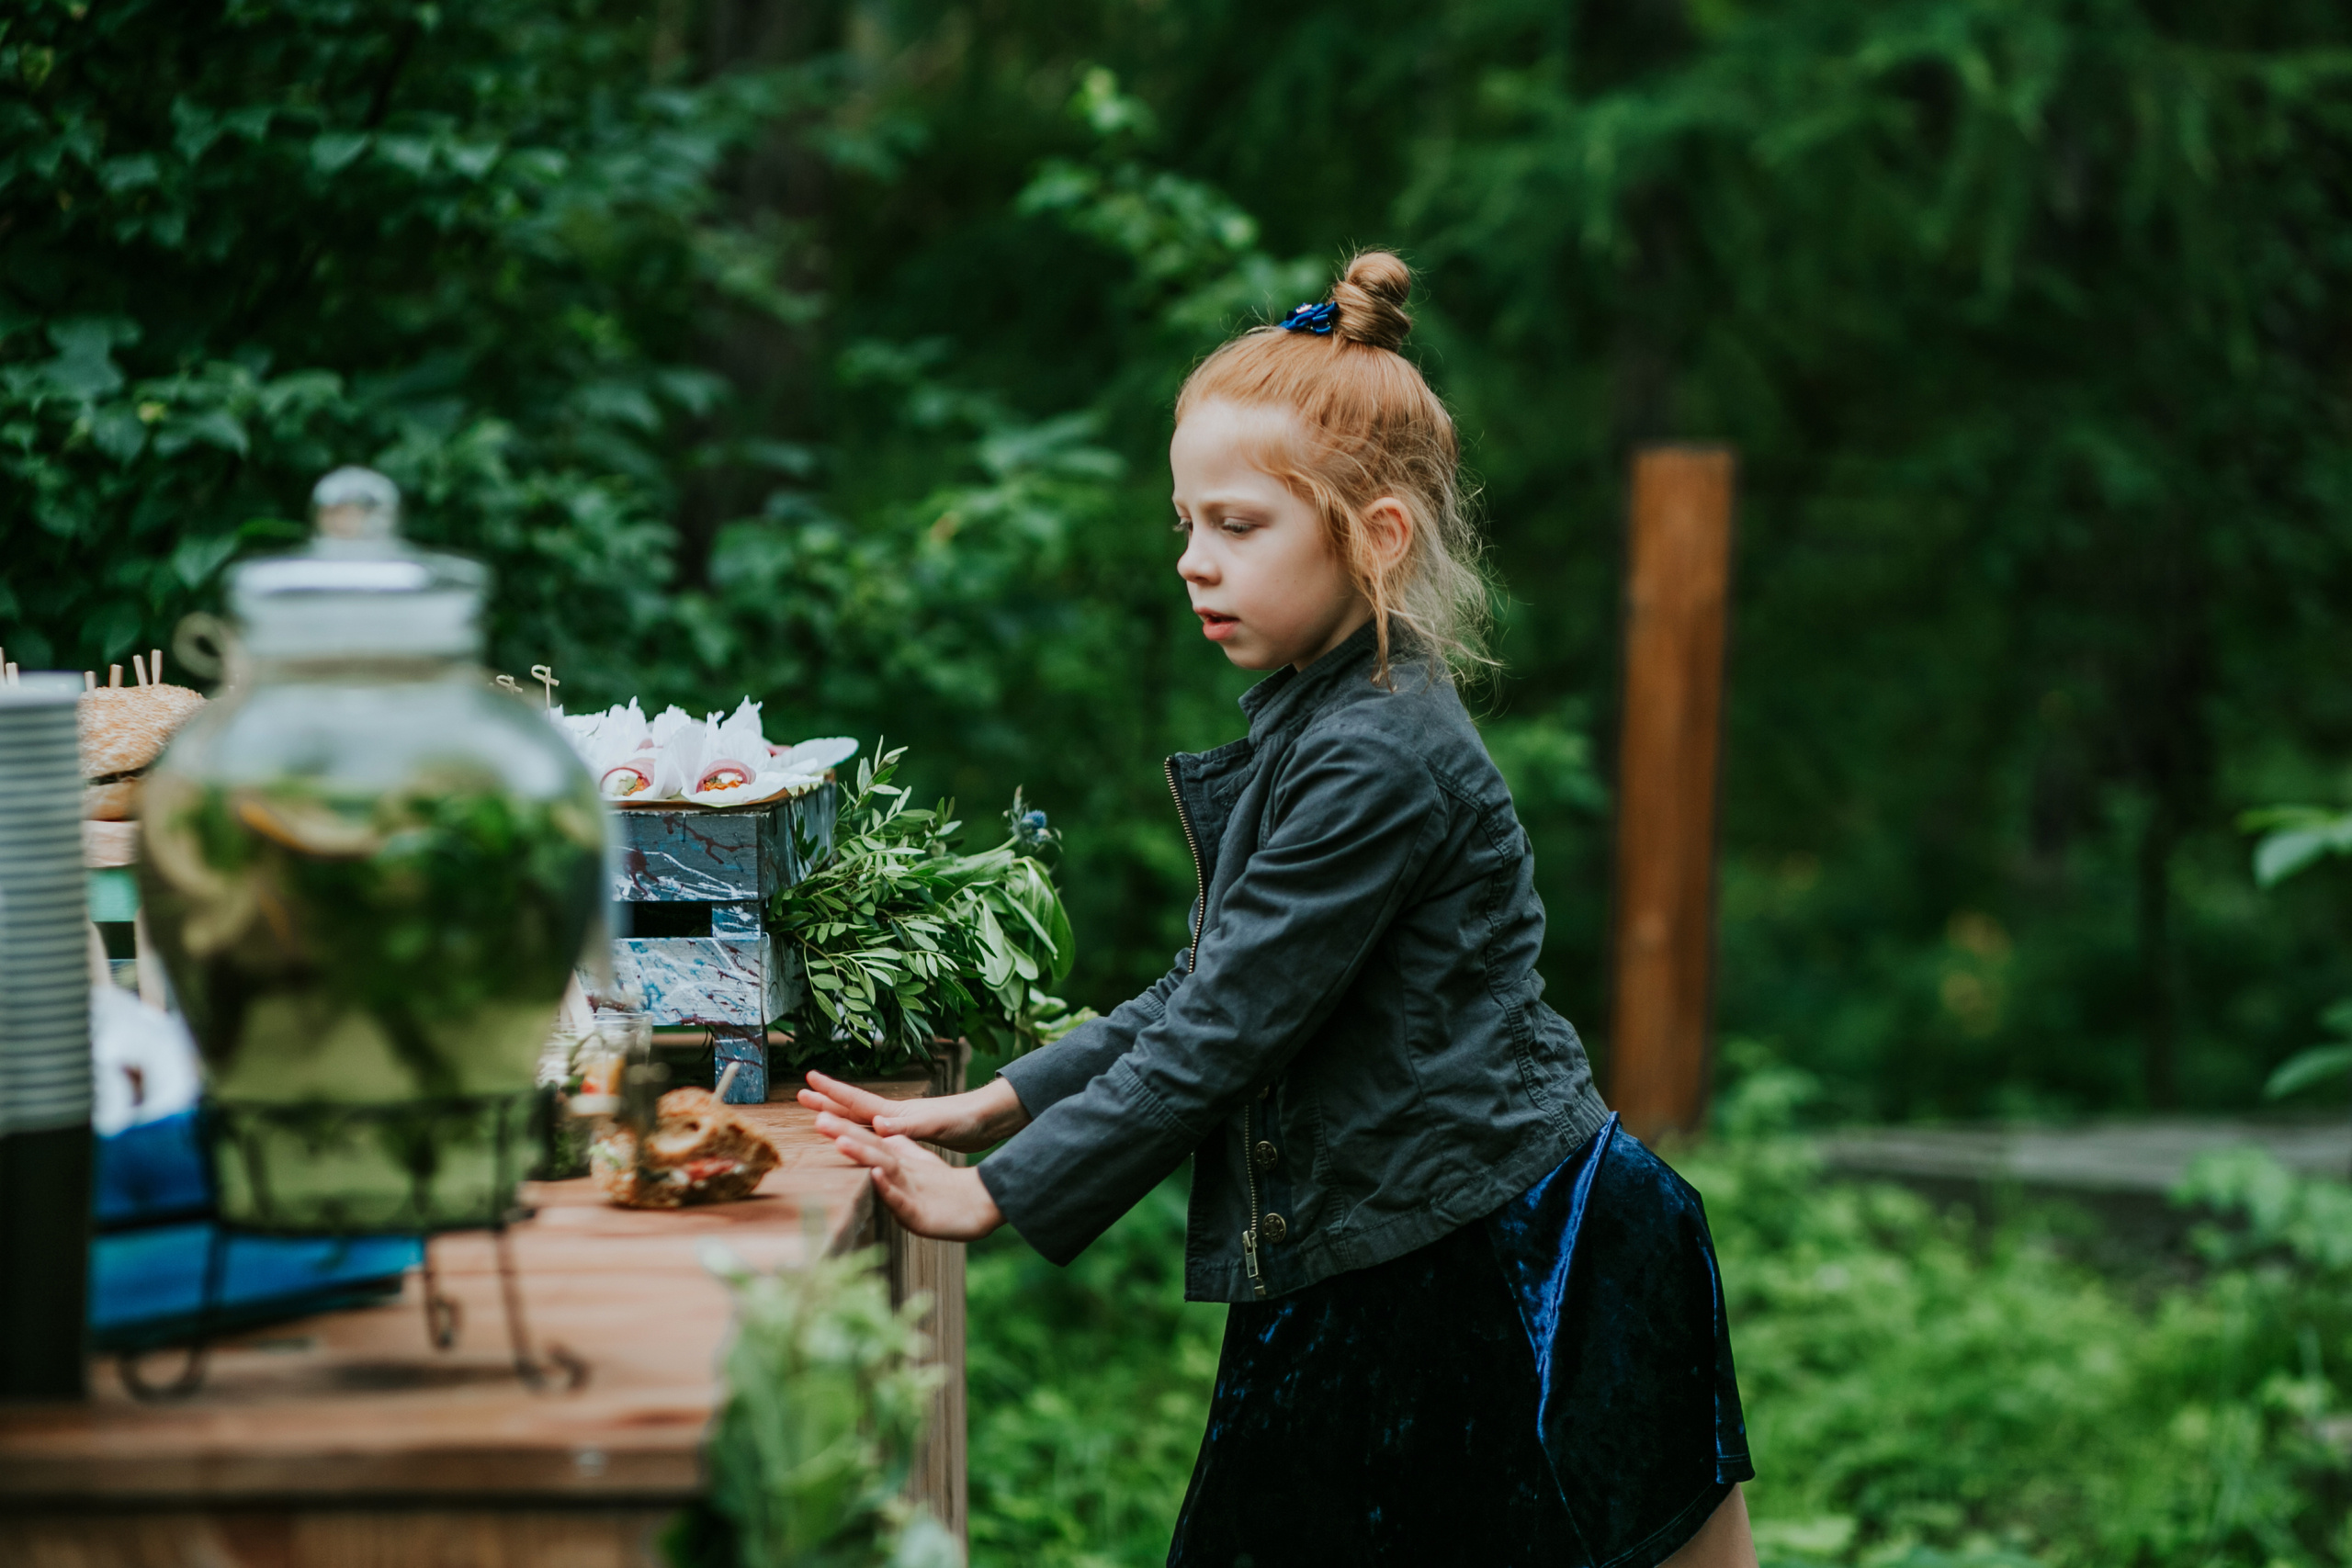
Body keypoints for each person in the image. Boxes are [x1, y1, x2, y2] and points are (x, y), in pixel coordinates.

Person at [801, 250, 1758, 1568]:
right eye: (1186, 524)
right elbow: (1211, 988)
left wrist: (999, 1200)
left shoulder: (1375, 753)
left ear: (1374, 538)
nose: (1196, 563)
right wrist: (1007, 1102)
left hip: (1505, 1252)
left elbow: (1230, 1028)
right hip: (1405, 1248)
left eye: (1239, 527)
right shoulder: (1325, 716)